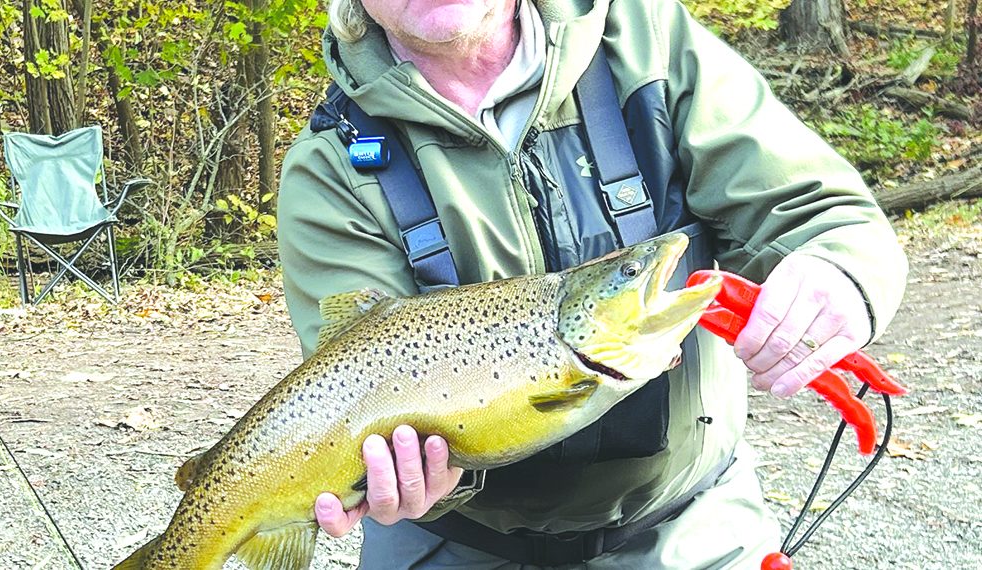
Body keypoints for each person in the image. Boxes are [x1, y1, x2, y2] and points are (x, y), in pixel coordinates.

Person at [277, 0, 908, 567]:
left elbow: (820, 214)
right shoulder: (330, 163)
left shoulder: (644, 42)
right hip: (454, 541)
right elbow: (350, 382)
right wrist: (417, 480)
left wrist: (842, 270)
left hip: (689, 522)